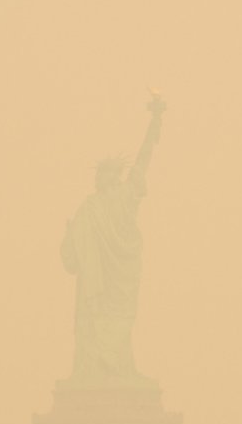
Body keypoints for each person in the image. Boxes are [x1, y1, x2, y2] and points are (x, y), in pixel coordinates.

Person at [61, 94, 165, 384]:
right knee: (95, 323)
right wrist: (70, 237)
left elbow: (142, 164)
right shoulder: (88, 209)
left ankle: (116, 369)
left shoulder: (123, 198)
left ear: (114, 176)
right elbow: (72, 255)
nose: (101, 178)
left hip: (120, 277)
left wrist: (153, 127)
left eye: (106, 173)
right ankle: (96, 370)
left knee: (118, 323)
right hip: (97, 282)